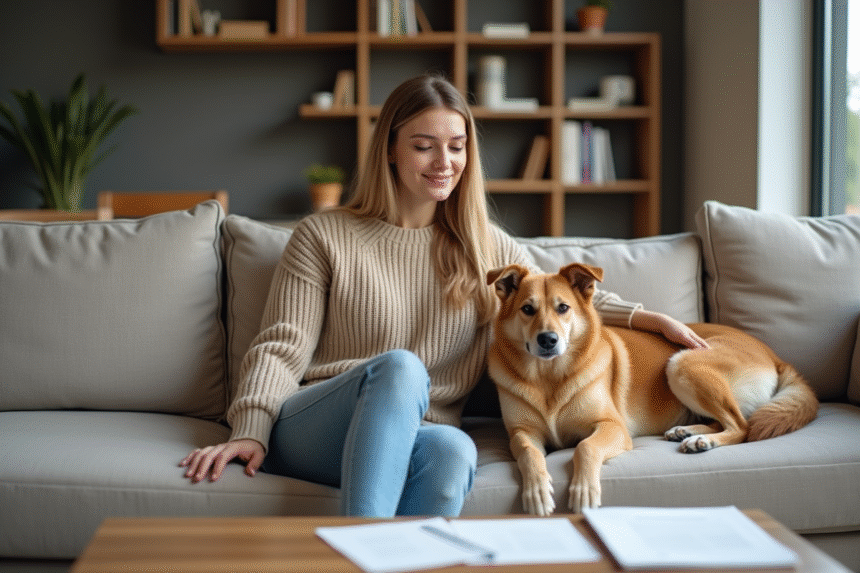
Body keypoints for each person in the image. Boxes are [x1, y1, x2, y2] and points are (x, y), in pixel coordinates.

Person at [180, 74, 707, 517]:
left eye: (457, 147)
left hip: (419, 429)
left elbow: (557, 294)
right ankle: (354, 556)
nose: (444, 162)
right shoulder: (325, 234)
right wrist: (251, 430)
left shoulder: (484, 246)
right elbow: (281, 345)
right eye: (424, 145)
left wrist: (648, 319)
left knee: (454, 449)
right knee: (402, 369)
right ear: (390, 147)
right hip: (316, 424)